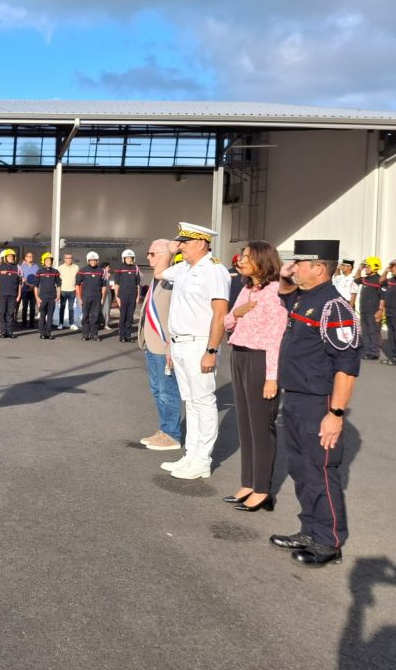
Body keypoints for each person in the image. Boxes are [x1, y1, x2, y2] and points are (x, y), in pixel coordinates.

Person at [270, 239, 360, 567]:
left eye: (300, 263)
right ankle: (309, 529)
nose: (295, 268)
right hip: (295, 398)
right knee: (301, 468)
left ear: (319, 268)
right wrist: (285, 275)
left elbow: (347, 368)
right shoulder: (307, 297)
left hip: (318, 403)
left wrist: (335, 414)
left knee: (321, 471)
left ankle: (329, 542)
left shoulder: (334, 307)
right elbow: (283, 293)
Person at [152, 222, 231, 480]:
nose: (181, 247)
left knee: (203, 403)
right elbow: (159, 273)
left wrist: (211, 350)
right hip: (180, 344)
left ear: (201, 243)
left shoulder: (214, 270)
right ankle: (191, 455)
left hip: (199, 343)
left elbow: (220, 313)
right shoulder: (185, 268)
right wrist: (169, 249)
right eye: (180, 242)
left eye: (184, 242)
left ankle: (202, 461)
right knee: (191, 403)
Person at [222, 241, 287, 512]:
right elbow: (227, 322)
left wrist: (272, 377)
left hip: (260, 360)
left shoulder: (275, 293)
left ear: (263, 261)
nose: (241, 260)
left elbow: (276, 338)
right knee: (245, 425)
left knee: (261, 427)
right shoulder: (247, 289)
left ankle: (262, 489)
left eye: (247, 257)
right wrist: (236, 313)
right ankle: (247, 483)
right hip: (239, 355)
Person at [137, 239, 183, 451]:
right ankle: (165, 429)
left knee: (167, 391)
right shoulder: (157, 279)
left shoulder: (173, 279)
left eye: (152, 254)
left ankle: (172, 434)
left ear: (167, 254)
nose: (148, 257)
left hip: (165, 346)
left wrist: (170, 348)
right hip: (152, 344)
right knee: (158, 390)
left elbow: (175, 316)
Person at [0, 249, 21, 338]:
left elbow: (20, 283)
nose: (11, 258)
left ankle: (10, 331)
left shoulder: (17, 267)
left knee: (10, 313)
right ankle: (3, 331)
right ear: (5, 258)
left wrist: (19, 294)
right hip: (2, 294)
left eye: (12, 256)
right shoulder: (0, 267)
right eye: (9, 256)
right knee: (2, 313)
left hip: (13, 294)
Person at [354, 256, 382, 360]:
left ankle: (374, 352)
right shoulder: (365, 279)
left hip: (373, 311)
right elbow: (356, 279)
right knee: (365, 332)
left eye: (368, 267)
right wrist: (359, 268)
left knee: (373, 332)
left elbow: (382, 296)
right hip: (364, 310)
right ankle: (366, 351)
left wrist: (380, 310)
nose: (366, 268)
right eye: (365, 267)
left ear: (375, 267)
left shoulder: (379, 279)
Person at [75, 252, 106, 341]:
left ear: (97, 261)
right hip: (86, 297)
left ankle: (94, 334)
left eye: (94, 260)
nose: (93, 262)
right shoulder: (83, 270)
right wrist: (79, 298)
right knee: (85, 316)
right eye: (91, 260)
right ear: (88, 261)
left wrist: (102, 298)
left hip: (97, 297)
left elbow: (104, 285)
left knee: (95, 316)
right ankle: (85, 334)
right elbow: (77, 284)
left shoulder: (101, 271)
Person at [113, 249, 142, 342]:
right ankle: (122, 336)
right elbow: (116, 284)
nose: (129, 260)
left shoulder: (136, 268)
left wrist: (138, 297)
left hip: (133, 296)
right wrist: (117, 298)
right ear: (124, 258)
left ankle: (128, 336)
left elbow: (138, 284)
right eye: (127, 258)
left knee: (130, 317)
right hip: (123, 296)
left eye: (131, 258)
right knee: (123, 317)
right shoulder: (119, 268)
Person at [35, 252, 61, 339]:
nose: (49, 262)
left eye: (50, 260)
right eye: (47, 260)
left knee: (50, 315)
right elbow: (36, 286)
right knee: (42, 315)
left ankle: (48, 333)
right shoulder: (40, 272)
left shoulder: (55, 272)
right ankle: (42, 333)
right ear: (43, 261)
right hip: (42, 297)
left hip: (52, 297)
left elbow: (58, 284)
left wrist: (58, 295)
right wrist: (37, 297)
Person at [57, 253, 79, 330]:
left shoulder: (76, 267)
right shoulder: (60, 268)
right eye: (67, 258)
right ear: (64, 259)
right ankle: (60, 323)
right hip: (63, 290)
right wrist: (58, 292)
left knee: (71, 308)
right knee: (62, 308)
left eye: (70, 258)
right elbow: (58, 281)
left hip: (72, 290)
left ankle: (72, 323)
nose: (69, 259)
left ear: (72, 259)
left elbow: (78, 279)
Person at [381, 260, 396, 367]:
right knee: (391, 336)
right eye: (392, 267)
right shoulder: (390, 280)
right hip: (390, 313)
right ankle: (393, 357)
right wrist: (386, 271)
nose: (392, 269)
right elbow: (381, 281)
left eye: (393, 267)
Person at [18, 252, 39, 328]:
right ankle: (24, 323)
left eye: (31, 256)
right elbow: (21, 278)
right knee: (25, 307)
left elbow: (37, 278)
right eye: (28, 256)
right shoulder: (21, 267)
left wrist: (33, 286)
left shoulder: (36, 267)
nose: (30, 258)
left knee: (33, 307)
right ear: (25, 258)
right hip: (25, 289)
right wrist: (28, 284)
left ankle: (32, 323)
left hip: (34, 289)